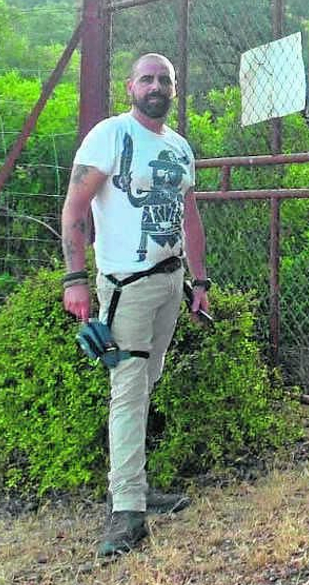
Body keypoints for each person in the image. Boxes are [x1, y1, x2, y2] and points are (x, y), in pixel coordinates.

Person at [61, 52, 211, 558]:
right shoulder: (110, 136)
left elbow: (189, 217)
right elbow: (75, 208)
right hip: (125, 284)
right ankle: (126, 510)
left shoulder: (179, 146)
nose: (155, 86)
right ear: (130, 86)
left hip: (169, 283)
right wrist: (75, 279)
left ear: (174, 87)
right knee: (128, 388)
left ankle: (139, 488)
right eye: (146, 78)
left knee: (146, 383)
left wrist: (200, 280)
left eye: (164, 79)